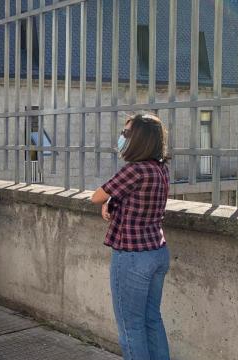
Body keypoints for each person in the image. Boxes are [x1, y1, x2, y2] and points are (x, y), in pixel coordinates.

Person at [91, 114, 171, 360]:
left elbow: (97, 196)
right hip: (157, 251)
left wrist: (108, 200)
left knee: (130, 327)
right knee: (151, 320)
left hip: (132, 256)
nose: (122, 137)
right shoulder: (160, 170)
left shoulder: (134, 170)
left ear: (139, 139)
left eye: (126, 134)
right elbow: (133, 199)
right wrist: (113, 201)